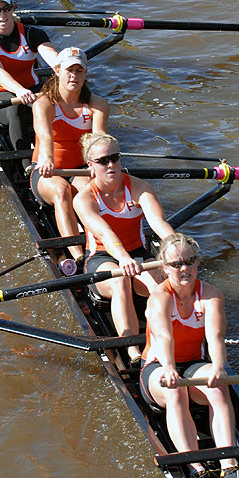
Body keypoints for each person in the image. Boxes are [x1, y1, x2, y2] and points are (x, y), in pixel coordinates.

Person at [139, 233, 238, 478]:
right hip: (157, 367)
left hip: (194, 364)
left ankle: (229, 462)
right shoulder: (159, 297)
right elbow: (164, 337)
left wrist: (218, 366)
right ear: (164, 268)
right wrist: (170, 368)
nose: (184, 268)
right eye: (176, 264)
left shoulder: (211, 296)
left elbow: (215, 337)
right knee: (176, 390)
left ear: (197, 263)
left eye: (190, 261)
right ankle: (196, 467)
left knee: (219, 388)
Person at [73, 133, 174, 364]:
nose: (110, 164)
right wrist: (123, 258)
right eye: (103, 161)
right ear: (91, 166)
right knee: (120, 281)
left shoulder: (140, 187)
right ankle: (133, 352)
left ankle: (161, 342)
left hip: (138, 253)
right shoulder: (84, 198)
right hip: (101, 257)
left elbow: (159, 224)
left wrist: (177, 247)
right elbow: (105, 234)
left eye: (115, 158)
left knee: (162, 288)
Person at [30, 47, 109, 260]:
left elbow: (98, 143)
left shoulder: (97, 105)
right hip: (46, 170)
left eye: (79, 71)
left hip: (80, 170)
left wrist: (98, 164)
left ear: (85, 73)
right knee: (61, 189)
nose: (74, 76)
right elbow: (45, 136)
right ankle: (78, 256)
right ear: (57, 70)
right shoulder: (44, 103)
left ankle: (101, 247)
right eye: (69, 70)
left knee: (91, 191)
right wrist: (46, 158)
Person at [0, 0, 58, 169]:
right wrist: (19, 90)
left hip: (33, 91)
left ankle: (59, 153)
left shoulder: (32, 33)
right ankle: (26, 166)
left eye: (6, 9)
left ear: (13, 8)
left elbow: (51, 57)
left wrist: (64, 68)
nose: (2, 15)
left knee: (56, 104)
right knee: (16, 108)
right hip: (2, 96)